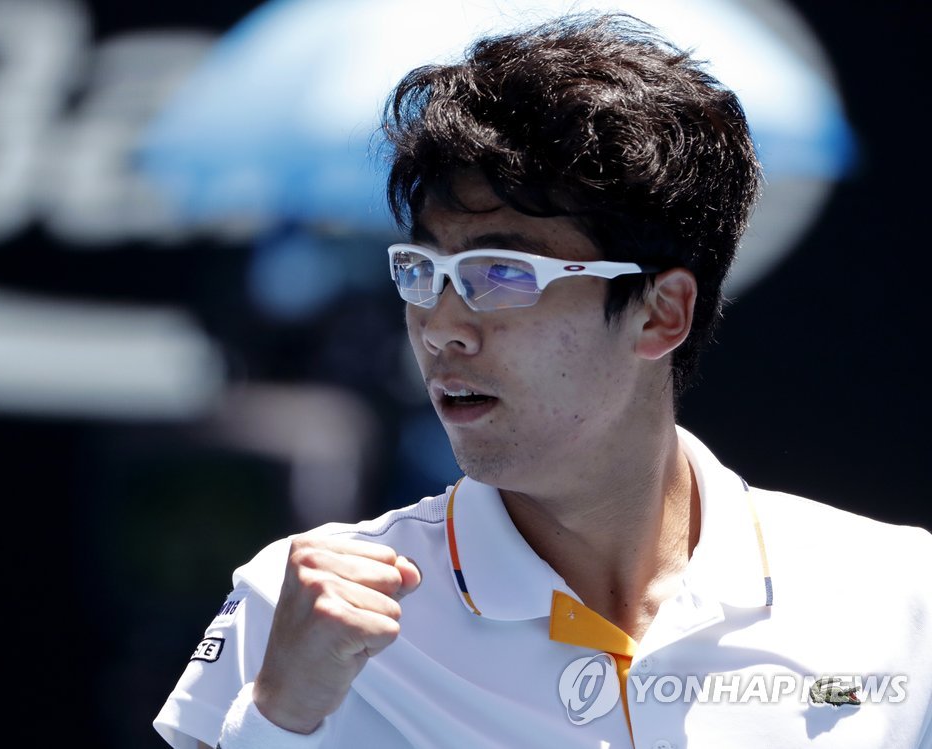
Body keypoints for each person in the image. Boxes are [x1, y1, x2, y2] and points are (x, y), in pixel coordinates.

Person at [153, 12, 932, 748]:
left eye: (502, 273)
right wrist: (278, 718)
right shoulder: (294, 608)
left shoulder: (902, 595)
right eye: (422, 269)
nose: (441, 325)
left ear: (661, 313)